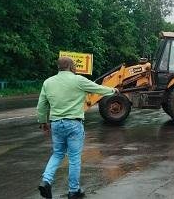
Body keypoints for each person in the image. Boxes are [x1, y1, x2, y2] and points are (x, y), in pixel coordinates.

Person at [37, 57, 118, 199]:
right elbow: (98, 89)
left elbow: (42, 105)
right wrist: (113, 90)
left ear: (59, 67)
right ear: (70, 66)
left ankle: (46, 181)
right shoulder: (78, 80)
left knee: (57, 154)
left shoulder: (48, 82)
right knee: (74, 158)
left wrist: (43, 122)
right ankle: (74, 191)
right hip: (74, 124)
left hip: (56, 123)